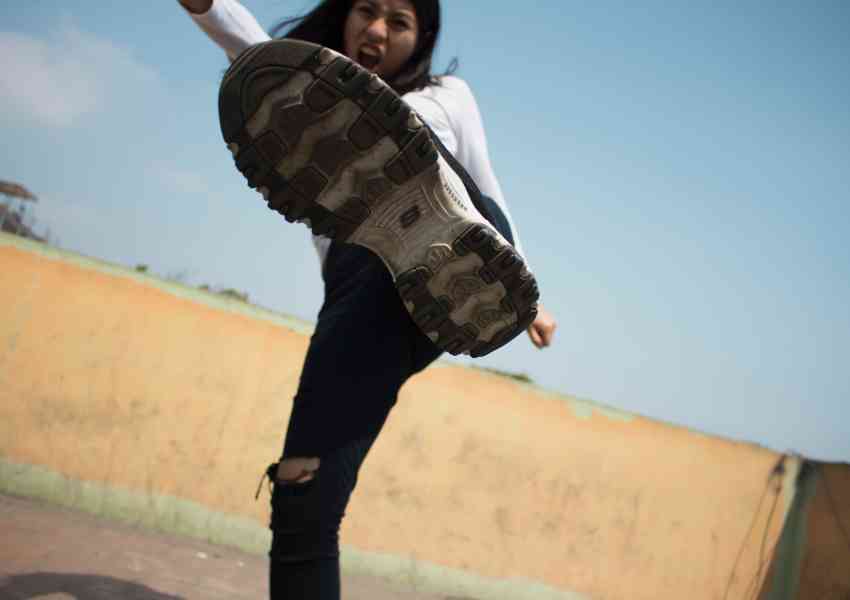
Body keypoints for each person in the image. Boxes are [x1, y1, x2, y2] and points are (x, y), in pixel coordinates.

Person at [179, 1, 557, 598]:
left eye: (398, 22)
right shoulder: (309, 93)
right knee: (303, 491)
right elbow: (262, 61)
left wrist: (528, 289)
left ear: (422, 37)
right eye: (367, 11)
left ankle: (431, 211)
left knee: (425, 155)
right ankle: (406, 213)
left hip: (458, 257)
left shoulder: (447, 95)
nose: (377, 30)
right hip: (361, 301)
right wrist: (209, 8)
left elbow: (489, 182)